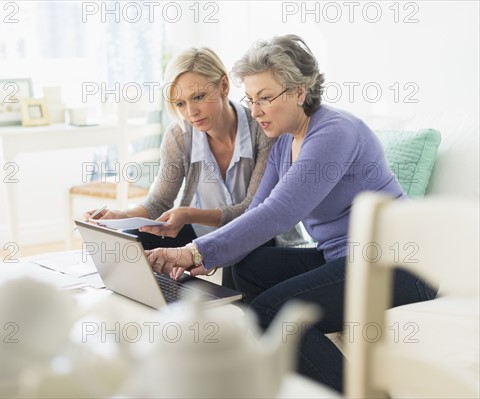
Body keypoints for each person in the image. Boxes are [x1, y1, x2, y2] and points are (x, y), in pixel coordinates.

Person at [145, 35, 437, 393]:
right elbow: (256, 212)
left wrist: (194, 252)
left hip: (399, 265)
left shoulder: (335, 131)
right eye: (251, 100)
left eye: (265, 98)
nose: (255, 111)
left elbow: (280, 211)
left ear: (300, 91)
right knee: (247, 265)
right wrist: (202, 257)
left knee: (271, 311)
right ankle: (266, 374)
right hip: (341, 256)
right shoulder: (284, 141)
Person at [83, 47, 304, 288]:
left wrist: (189, 213)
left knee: (242, 261)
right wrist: (121, 215)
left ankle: (230, 314)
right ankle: (159, 308)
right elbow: (158, 203)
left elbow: (254, 211)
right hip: (201, 234)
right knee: (135, 240)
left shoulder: (262, 128)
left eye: (198, 97)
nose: (191, 113)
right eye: (180, 103)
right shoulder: (179, 136)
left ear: (223, 86)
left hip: (260, 236)